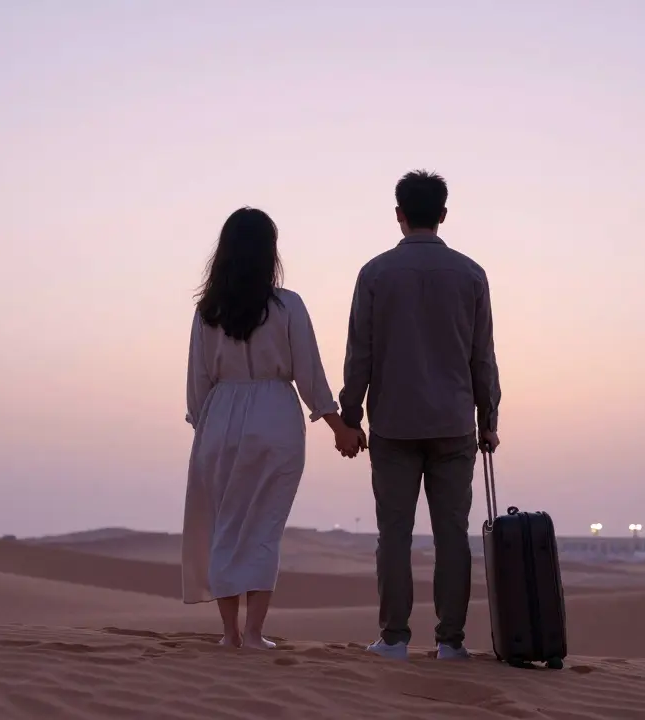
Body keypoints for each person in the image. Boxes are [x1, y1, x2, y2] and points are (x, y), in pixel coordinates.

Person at [183, 207, 365, 650]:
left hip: (220, 417)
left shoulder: (207, 313)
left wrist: (207, 429)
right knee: (264, 527)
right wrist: (338, 426)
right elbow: (309, 374)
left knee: (226, 525)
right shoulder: (287, 306)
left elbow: (198, 382)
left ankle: (229, 633)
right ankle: (253, 633)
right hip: (275, 418)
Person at [338, 170, 501, 661]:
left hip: (394, 424)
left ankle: (394, 638)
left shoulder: (375, 273)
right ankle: (451, 641)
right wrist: (489, 419)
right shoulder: (471, 274)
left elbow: (360, 353)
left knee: (394, 535)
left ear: (399, 215)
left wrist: (351, 414)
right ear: (443, 214)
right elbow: (483, 356)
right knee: (453, 535)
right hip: (454, 424)